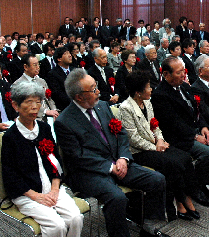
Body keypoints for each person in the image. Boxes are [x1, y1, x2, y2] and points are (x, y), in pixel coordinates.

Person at [55, 69, 169, 237]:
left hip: (118, 161)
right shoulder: (64, 122)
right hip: (90, 172)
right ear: (79, 97)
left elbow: (122, 134)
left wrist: (123, 158)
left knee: (157, 179)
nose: (99, 91)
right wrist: (110, 167)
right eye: (93, 89)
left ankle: (148, 225)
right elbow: (78, 156)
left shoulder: (102, 106)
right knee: (117, 197)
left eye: (97, 86)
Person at [151, 56, 209, 203]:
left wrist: (203, 127)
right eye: (178, 72)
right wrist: (195, 136)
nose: (183, 75)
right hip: (180, 138)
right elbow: (174, 124)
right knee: (208, 152)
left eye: (184, 71)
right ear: (166, 74)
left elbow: (197, 110)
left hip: (196, 130)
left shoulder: (185, 87)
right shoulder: (160, 95)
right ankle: (200, 188)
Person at [118, 71, 203, 221]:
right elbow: (134, 139)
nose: (151, 90)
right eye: (148, 87)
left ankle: (187, 196)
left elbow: (155, 125)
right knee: (172, 164)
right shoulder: (126, 108)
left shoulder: (147, 102)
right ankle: (179, 201)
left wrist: (160, 141)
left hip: (156, 145)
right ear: (138, 92)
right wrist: (155, 147)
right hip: (140, 151)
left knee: (184, 158)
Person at [1, 82, 83, 237]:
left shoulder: (44, 128)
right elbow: (11, 176)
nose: (35, 106)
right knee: (56, 226)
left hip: (52, 188)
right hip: (27, 194)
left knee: (75, 218)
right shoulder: (10, 137)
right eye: (29, 102)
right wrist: (37, 196)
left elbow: (56, 162)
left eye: (38, 101)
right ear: (15, 105)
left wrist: (54, 188)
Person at [13, 54, 59, 120]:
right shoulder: (18, 84)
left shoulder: (42, 81)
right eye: (35, 65)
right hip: (35, 118)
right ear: (25, 67)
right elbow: (26, 105)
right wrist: (45, 111)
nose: (38, 67)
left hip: (51, 115)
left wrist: (54, 111)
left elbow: (49, 99)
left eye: (38, 64)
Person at [46, 47, 74, 111]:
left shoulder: (74, 70)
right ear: (59, 59)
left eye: (69, 53)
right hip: (65, 108)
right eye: (66, 53)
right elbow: (58, 95)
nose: (70, 55)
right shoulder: (52, 74)